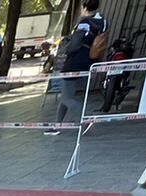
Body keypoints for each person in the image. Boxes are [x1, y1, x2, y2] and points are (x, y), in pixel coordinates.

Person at [49, 0, 107, 134]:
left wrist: (65, 48)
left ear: (84, 7)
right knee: (66, 94)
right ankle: (57, 126)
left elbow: (75, 43)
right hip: (89, 60)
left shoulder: (84, 23)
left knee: (66, 97)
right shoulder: (102, 22)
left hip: (75, 61)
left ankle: (86, 118)